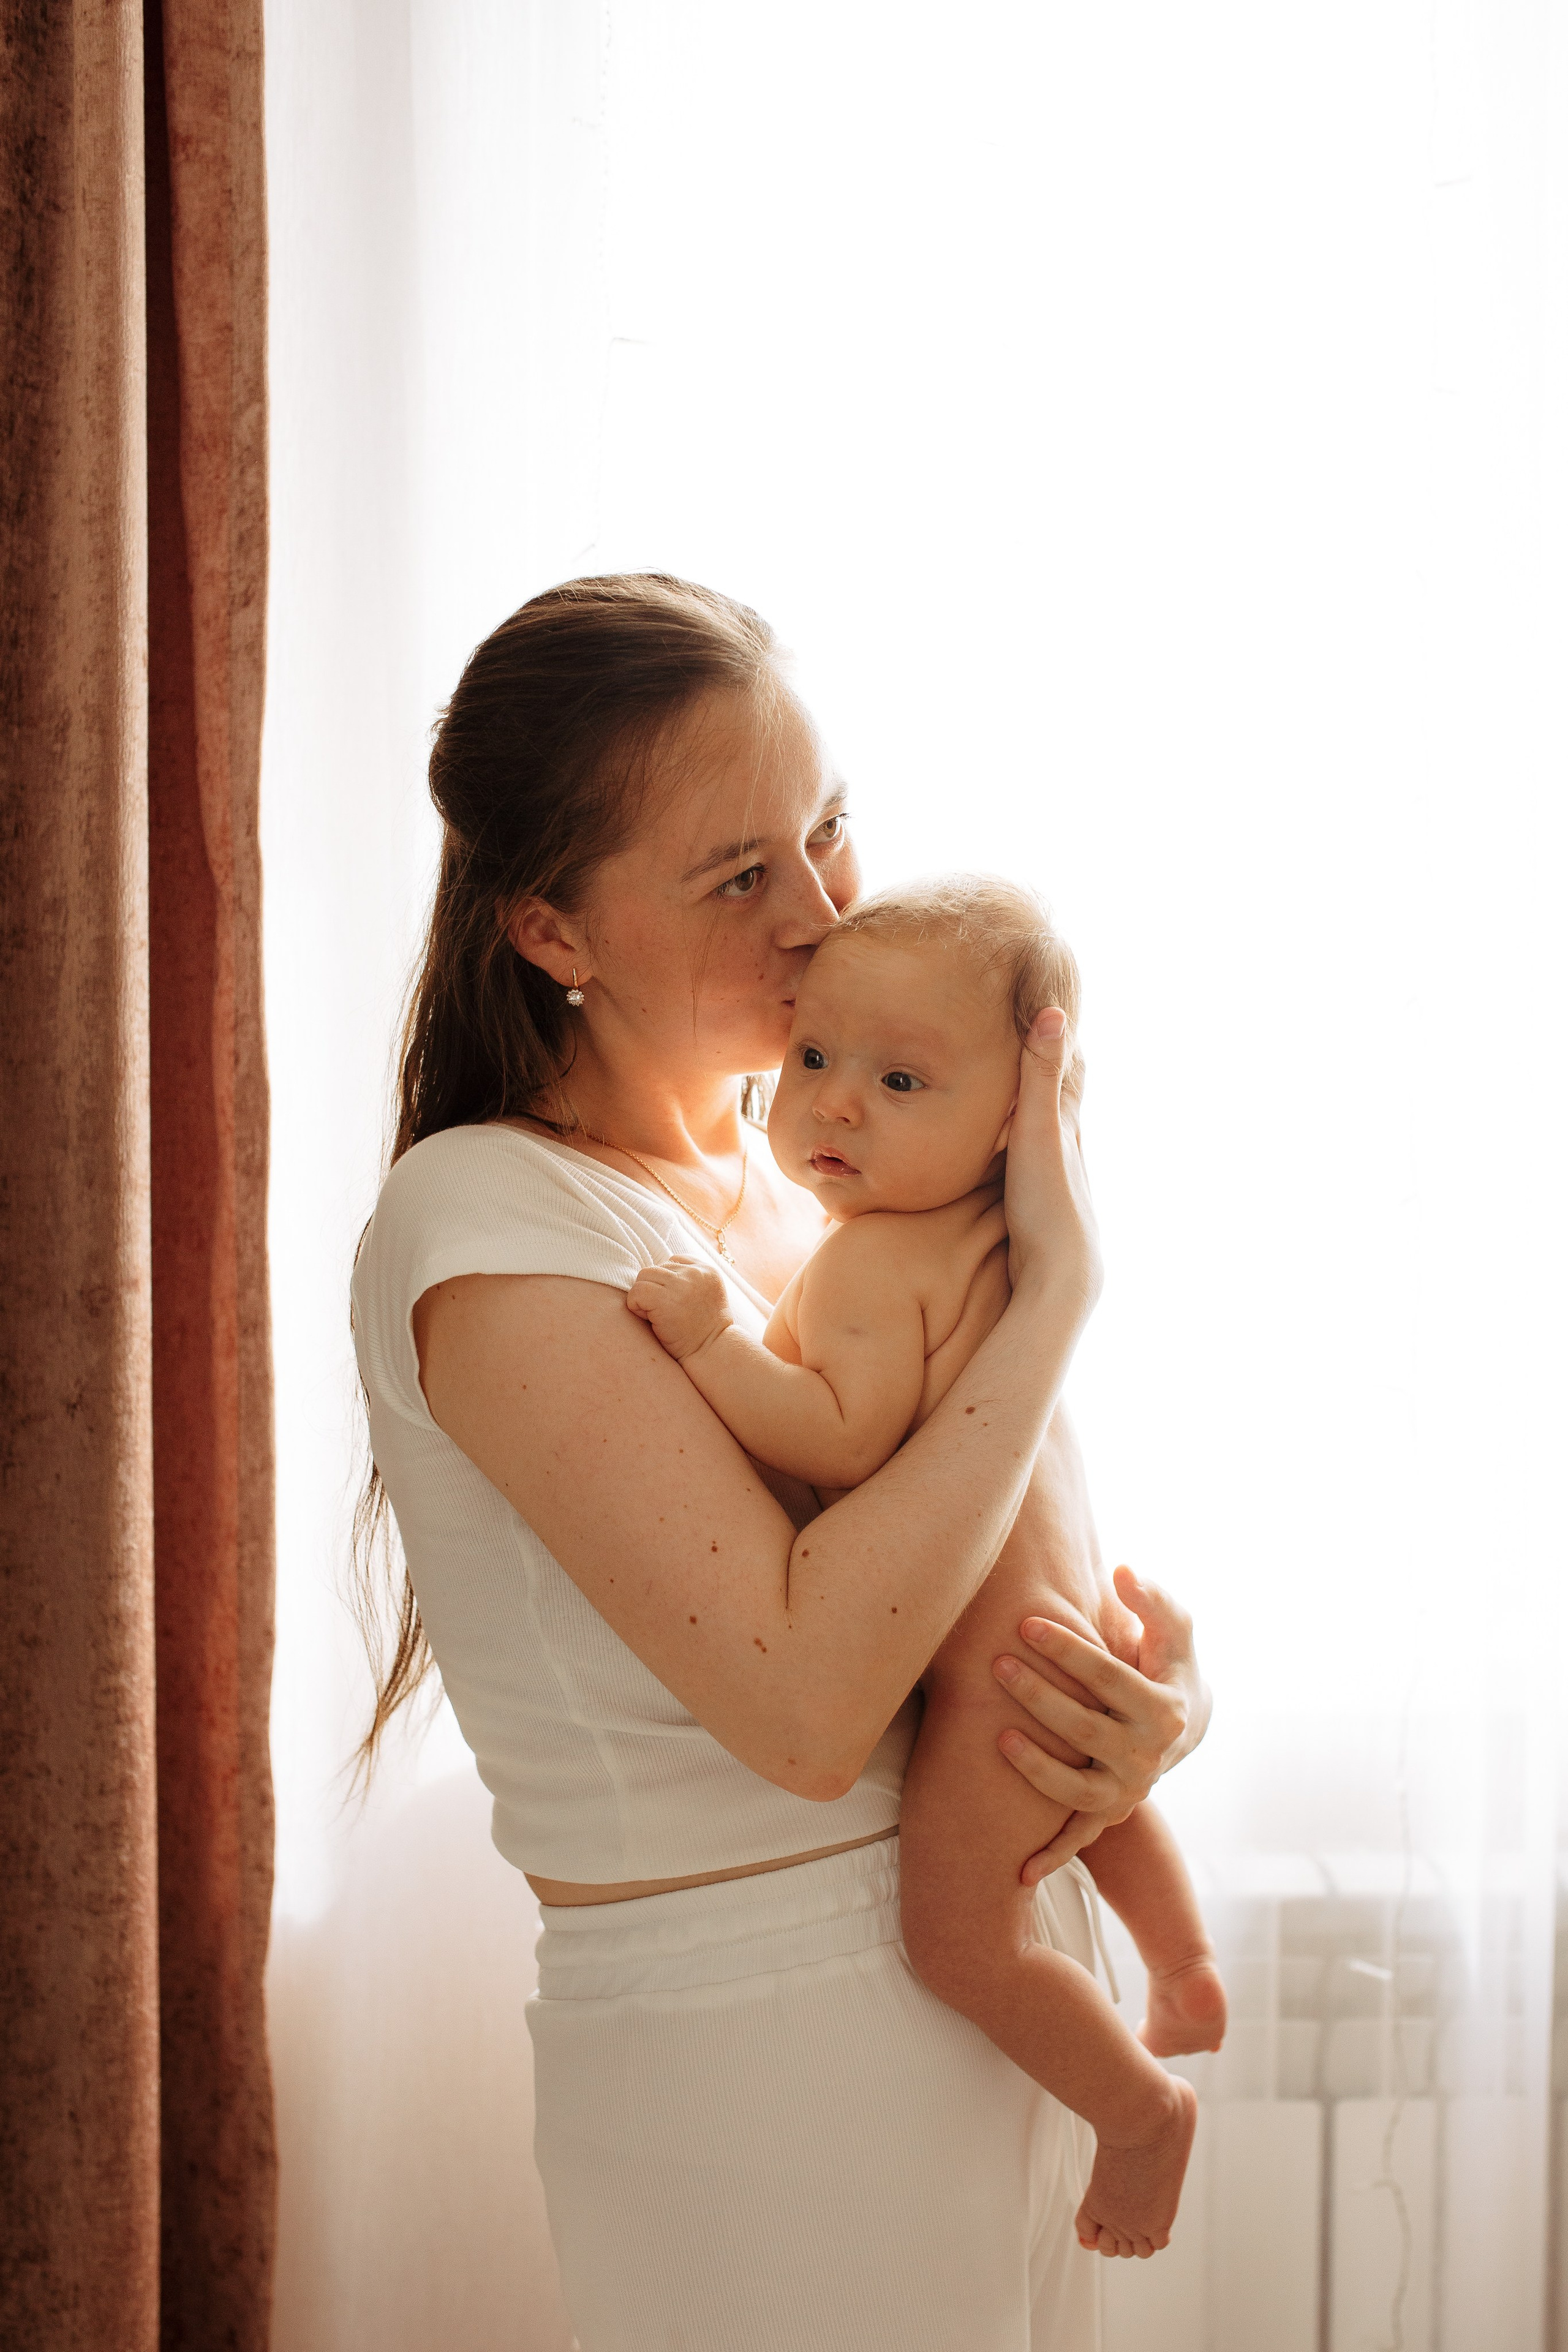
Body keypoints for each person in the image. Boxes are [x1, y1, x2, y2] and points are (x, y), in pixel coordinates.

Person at [350, 573, 1212, 2351]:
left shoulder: (802, 1183)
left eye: (827, 832)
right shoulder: (495, 1219)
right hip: (773, 2051)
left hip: (1000, 1970)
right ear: (553, 932)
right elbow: (812, 1712)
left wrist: (1145, 1711)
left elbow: (992, 1548)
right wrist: (1058, 1290)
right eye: (742, 877)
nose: (825, 918)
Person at [625, 873, 1226, 2263]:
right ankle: (1183, 1971)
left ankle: (1140, 2114)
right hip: (1060, 1638)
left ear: (1017, 1118)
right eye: (814, 1058)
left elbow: (835, 1430)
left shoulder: (863, 1264)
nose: (831, 1105)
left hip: (987, 1682)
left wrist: (712, 1343)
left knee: (965, 1944)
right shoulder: (998, 1249)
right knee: (1092, 1794)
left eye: (898, 1080)